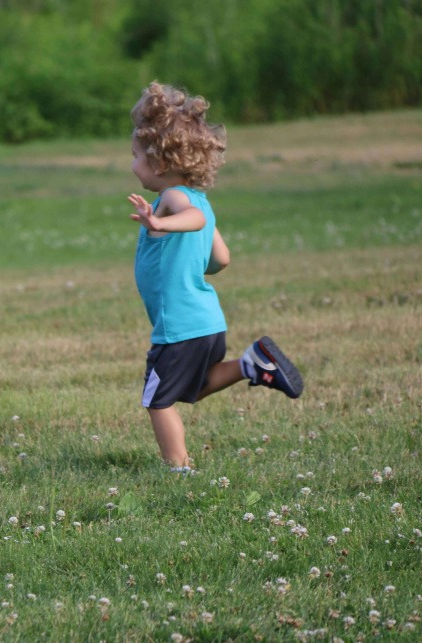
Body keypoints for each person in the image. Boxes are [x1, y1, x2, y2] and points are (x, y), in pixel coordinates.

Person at [126, 81, 303, 473]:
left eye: (136, 155)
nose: (132, 163)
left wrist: (158, 221)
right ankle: (251, 364)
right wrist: (187, 256)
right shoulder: (200, 199)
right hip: (208, 322)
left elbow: (195, 219)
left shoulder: (174, 199)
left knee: (158, 400)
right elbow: (221, 258)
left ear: (160, 163)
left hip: (178, 327)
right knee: (195, 386)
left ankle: (179, 468)